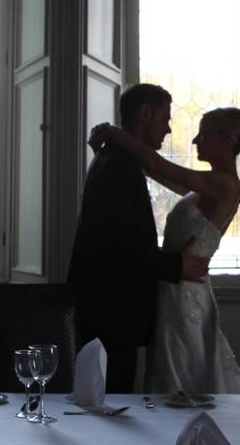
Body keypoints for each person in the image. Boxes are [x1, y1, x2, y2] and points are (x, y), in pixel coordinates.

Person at [88, 106, 240, 394]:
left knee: (185, 376)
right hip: (173, 289)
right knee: (174, 373)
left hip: (186, 296)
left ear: (226, 141)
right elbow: (149, 169)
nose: (195, 140)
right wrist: (107, 153)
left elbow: (157, 166)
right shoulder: (206, 186)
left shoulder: (224, 184)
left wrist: (115, 133)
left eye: (203, 134)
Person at [66, 83, 210, 393]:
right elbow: (121, 248)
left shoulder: (113, 158)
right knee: (110, 405)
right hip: (113, 313)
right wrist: (177, 266)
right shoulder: (120, 165)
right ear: (145, 113)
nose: (169, 129)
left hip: (106, 309)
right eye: (165, 118)